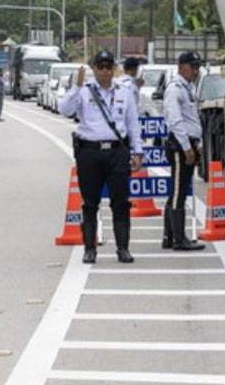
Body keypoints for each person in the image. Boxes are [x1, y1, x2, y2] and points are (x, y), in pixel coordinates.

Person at [58, 50, 144, 264]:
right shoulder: (84, 91)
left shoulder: (124, 92)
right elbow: (65, 110)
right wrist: (76, 87)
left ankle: (123, 248)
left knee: (121, 203)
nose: (105, 71)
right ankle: (90, 249)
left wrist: (138, 151)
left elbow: (133, 123)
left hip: (117, 151)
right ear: (94, 69)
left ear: (113, 69)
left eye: (108, 67)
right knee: (90, 203)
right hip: (90, 152)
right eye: (100, 67)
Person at [161, 51, 206, 252]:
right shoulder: (175, 89)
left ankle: (169, 236)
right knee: (179, 192)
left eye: (198, 67)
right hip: (180, 145)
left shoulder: (188, 88)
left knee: (177, 192)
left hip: (188, 144)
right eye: (192, 66)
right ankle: (179, 240)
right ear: (181, 67)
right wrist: (187, 147)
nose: (196, 71)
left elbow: (192, 119)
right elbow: (175, 120)